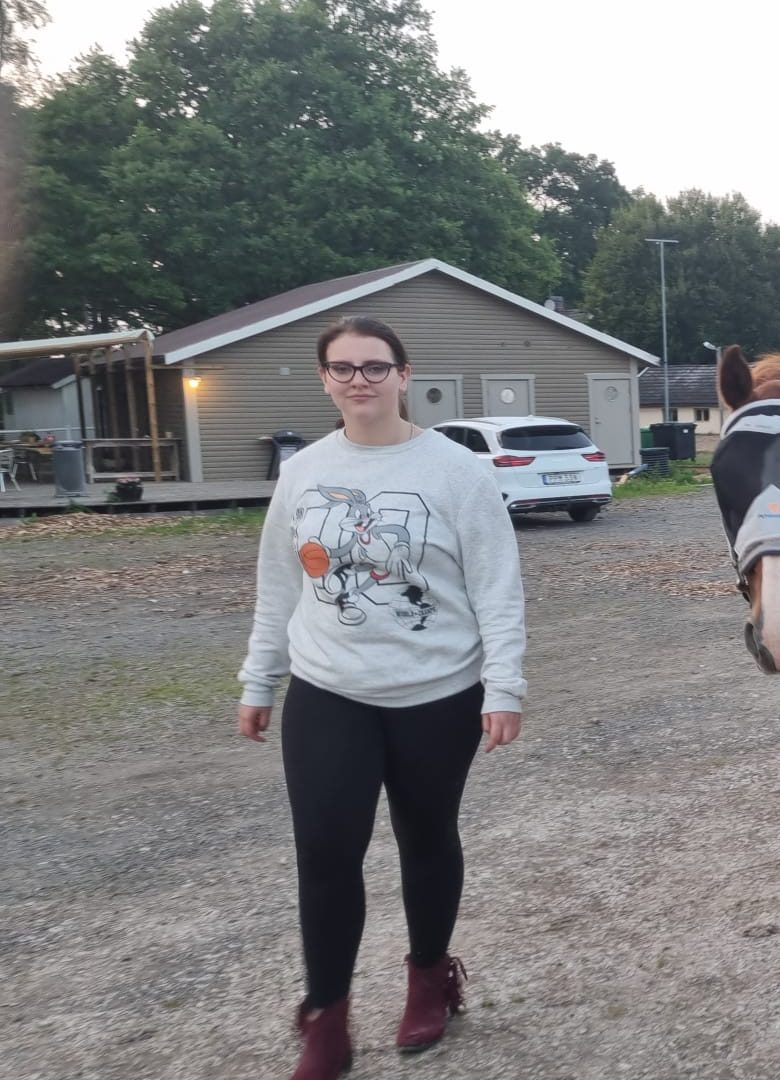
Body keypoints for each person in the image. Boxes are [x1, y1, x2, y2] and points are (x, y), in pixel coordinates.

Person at [236, 316, 527, 1080]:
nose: (358, 380)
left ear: (404, 374)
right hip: (329, 688)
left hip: (437, 691)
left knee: (426, 837)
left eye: (374, 366)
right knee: (326, 852)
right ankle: (325, 1017)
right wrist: (258, 678)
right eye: (342, 368)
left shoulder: (456, 471)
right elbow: (278, 583)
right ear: (325, 379)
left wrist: (505, 686)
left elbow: (497, 586)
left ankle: (429, 977)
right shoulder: (302, 472)